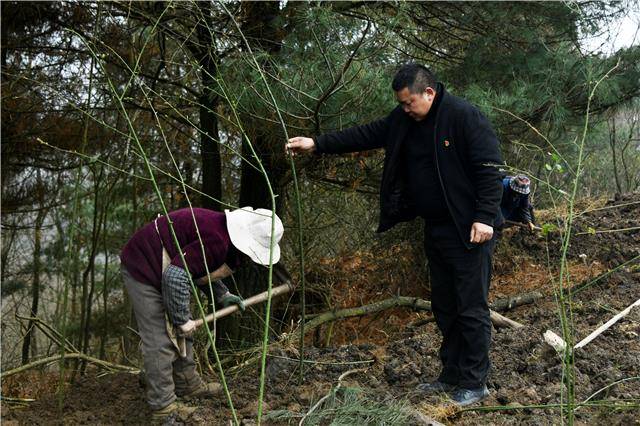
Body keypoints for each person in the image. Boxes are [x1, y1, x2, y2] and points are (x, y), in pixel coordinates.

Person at [287, 63, 503, 406]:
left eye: (409, 102)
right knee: (444, 305)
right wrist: (318, 143)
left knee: (470, 306)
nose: (404, 109)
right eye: (401, 104)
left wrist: (484, 217)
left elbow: (490, 169)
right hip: (436, 228)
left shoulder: (464, 117)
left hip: (470, 230)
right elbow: (366, 134)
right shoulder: (403, 120)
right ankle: (451, 375)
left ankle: (474, 382)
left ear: (428, 93)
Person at [120, 206, 284, 419]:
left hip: (169, 268)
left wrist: (222, 295)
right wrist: (180, 319)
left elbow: (199, 268)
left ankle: (187, 383)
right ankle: (163, 408)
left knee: (183, 325)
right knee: (159, 339)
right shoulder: (218, 240)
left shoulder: (223, 238)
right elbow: (176, 276)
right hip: (143, 266)